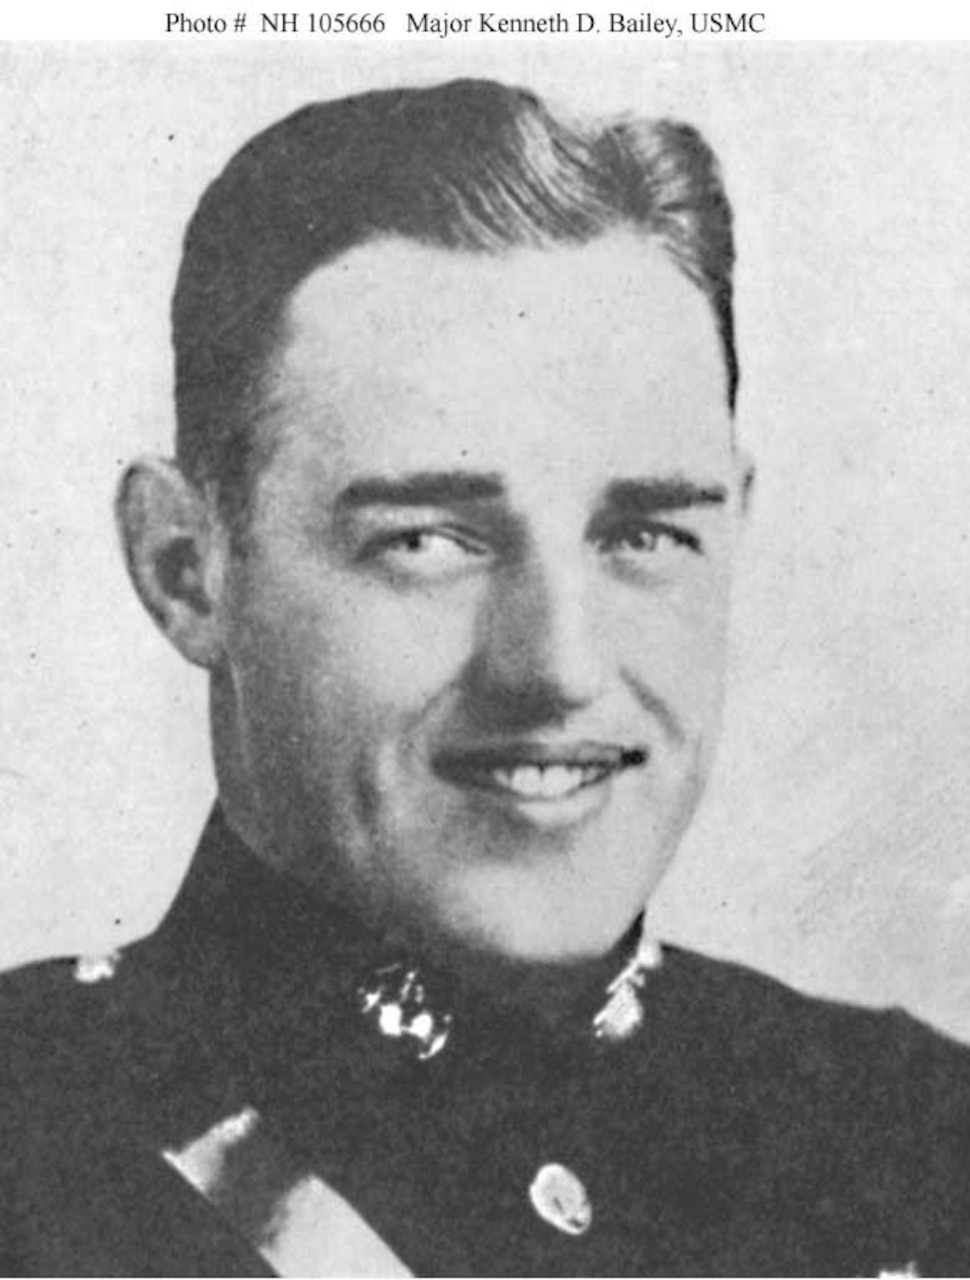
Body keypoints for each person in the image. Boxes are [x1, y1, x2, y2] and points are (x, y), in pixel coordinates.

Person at [2, 76, 970, 1277]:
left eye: (645, 534)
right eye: (428, 540)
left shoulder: (912, 1136)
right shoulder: (32, 1146)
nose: (559, 667)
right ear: (186, 570)